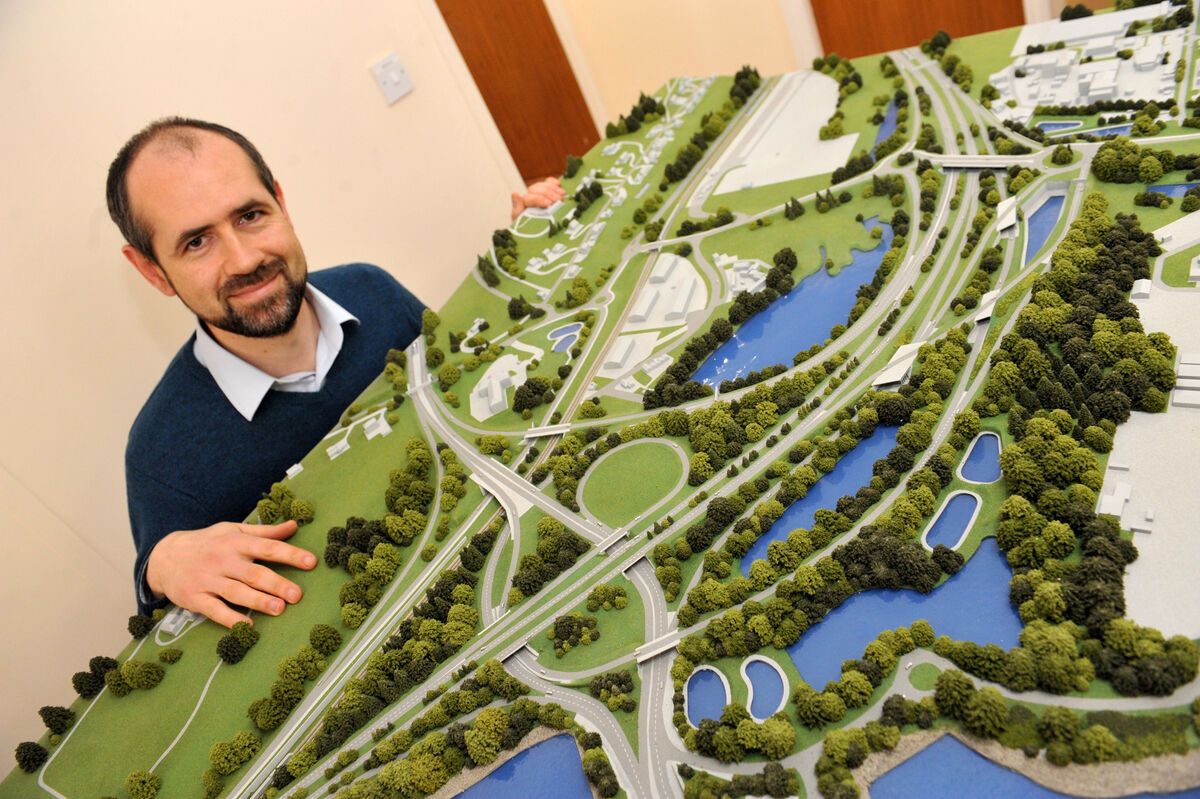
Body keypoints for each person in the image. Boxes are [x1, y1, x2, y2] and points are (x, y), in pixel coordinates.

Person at [108, 117, 563, 627]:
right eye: (196, 242)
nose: (244, 259)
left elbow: (467, 387)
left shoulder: (373, 290)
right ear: (151, 270)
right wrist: (157, 567)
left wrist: (528, 260)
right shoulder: (159, 457)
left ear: (281, 202)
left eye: (251, 215)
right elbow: (171, 620)